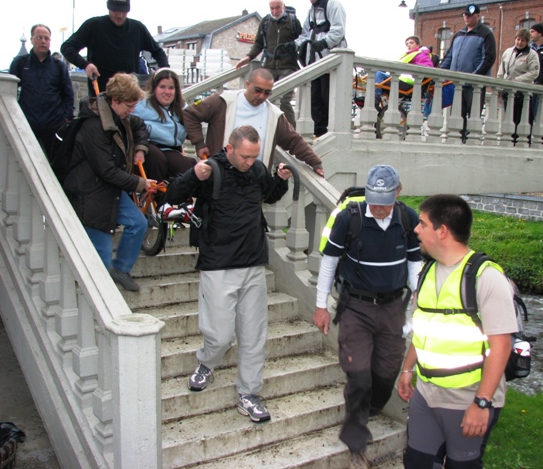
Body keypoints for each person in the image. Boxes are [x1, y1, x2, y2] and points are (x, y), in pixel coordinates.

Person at [165, 125, 292, 423]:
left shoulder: (257, 169)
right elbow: (172, 194)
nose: (250, 162)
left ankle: (249, 394)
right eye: (245, 156)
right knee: (221, 335)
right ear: (230, 148)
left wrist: (280, 180)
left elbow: (269, 195)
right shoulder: (210, 169)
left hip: (253, 263)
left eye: (254, 156)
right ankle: (207, 364)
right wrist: (193, 175)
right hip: (218, 264)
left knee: (253, 336)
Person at [312, 165, 422, 468]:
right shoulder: (350, 218)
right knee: (358, 373)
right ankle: (356, 443)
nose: (379, 208)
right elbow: (329, 263)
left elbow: (415, 262)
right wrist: (321, 306)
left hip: (392, 308)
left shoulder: (407, 218)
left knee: (386, 373)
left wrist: (418, 295)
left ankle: (368, 406)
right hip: (356, 307)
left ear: (398, 193)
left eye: (385, 201)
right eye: (374, 200)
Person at [398, 194, 518, 469]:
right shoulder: (426, 272)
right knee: (415, 462)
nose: (416, 229)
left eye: (423, 224)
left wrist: (482, 403)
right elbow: (424, 327)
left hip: (467, 397)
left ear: (442, 231)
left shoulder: (486, 277)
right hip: (426, 393)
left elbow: (501, 346)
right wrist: (407, 370)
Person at [63, 73, 156, 292]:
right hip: (89, 193)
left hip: (109, 189)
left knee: (138, 223)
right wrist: (140, 183)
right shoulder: (93, 126)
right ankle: (99, 300)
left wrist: (140, 149)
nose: (132, 110)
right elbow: (106, 171)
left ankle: (121, 269)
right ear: (115, 101)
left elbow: (140, 125)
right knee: (102, 254)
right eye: (129, 105)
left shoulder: (121, 117)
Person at [183, 68, 324, 176]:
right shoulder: (223, 101)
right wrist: (199, 143)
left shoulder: (274, 115)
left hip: (254, 183)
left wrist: (315, 162)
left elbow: (294, 141)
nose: (261, 96)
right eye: (258, 90)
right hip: (219, 177)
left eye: (267, 92)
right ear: (247, 84)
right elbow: (189, 115)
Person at [61, 0, 169, 95]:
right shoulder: (93, 26)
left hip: (129, 98)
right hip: (101, 96)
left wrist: (164, 73)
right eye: (116, 11)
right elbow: (67, 47)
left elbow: (158, 52)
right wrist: (85, 65)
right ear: (108, 7)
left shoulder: (137, 29)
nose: (120, 15)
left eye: (123, 11)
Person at [9, 24, 74, 160]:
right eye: (39, 37)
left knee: (55, 161)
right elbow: (10, 91)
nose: (43, 41)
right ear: (32, 39)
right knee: (25, 159)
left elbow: (67, 93)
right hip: (27, 122)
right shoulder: (20, 63)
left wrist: (66, 117)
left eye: (46, 38)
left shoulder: (58, 66)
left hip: (54, 123)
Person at [236, 0, 302, 128]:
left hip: (288, 65)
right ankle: (267, 127)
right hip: (270, 65)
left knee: (283, 99)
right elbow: (258, 43)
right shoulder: (266, 22)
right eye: (272, 8)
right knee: (265, 97)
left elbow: (302, 40)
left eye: (277, 7)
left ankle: (290, 131)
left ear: (283, 6)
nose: (275, 11)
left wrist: (294, 46)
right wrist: (249, 57)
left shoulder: (293, 21)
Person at [440, 4, 496, 143]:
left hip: (473, 86)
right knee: (457, 116)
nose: (466, 17)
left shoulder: (486, 34)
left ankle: (472, 142)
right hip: (456, 84)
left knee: (473, 116)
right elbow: (449, 57)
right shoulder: (458, 34)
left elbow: (488, 58)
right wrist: (440, 72)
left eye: (470, 15)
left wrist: (474, 77)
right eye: (465, 15)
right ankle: (459, 141)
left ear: (478, 16)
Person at [295, 0, 347, 138]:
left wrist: (323, 43)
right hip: (314, 64)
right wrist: (295, 45)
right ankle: (318, 133)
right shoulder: (311, 11)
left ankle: (329, 134)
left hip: (330, 65)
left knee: (328, 99)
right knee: (314, 99)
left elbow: (338, 31)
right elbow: (305, 34)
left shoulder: (333, 5)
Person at [132, 68, 195, 186]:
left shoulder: (181, 108)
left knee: (186, 167)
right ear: (154, 88)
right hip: (146, 146)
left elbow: (193, 126)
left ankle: (184, 202)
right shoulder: (141, 105)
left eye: (171, 88)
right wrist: (139, 147)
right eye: (162, 87)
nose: (167, 92)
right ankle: (160, 201)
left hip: (170, 149)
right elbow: (131, 125)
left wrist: (200, 143)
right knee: (157, 157)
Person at [496, 29, 539, 143]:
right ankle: (509, 139)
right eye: (518, 39)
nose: (519, 42)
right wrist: (499, 86)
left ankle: (521, 141)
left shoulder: (532, 54)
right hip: (508, 90)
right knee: (509, 118)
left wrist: (517, 80)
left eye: (523, 40)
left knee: (522, 118)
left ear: (527, 42)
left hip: (523, 92)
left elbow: (534, 73)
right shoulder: (508, 52)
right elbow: (501, 70)